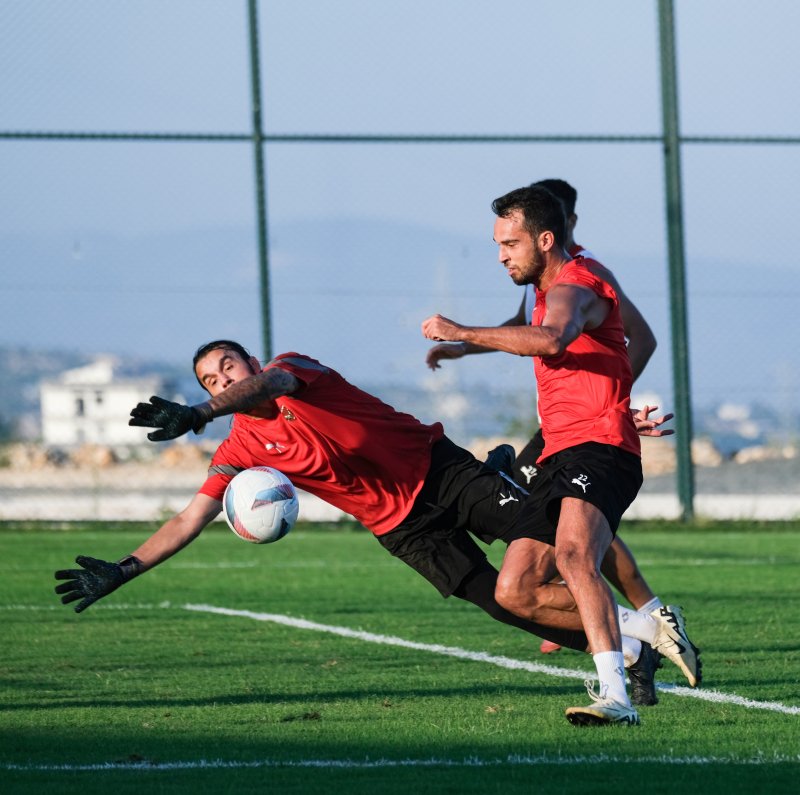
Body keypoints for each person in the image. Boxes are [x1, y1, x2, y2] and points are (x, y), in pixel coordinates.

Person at [54, 341, 677, 712]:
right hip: (401, 529)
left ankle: (647, 613)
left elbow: (276, 382)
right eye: (211, 382)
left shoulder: (291, 368)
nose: (225, 381)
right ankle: (632, 648)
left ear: (250, 359)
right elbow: (191, 516)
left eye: (228, 368)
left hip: (442, 473)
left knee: (557, 547)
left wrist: (197, 409)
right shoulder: (241, 449)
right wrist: (124, 569)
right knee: (507, 605)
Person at [421, 185, 701, 726]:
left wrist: (458, 330)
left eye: (511, 242)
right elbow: (603, 342)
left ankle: (616, 697)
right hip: (561, 451)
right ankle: (644, 631)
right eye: (498, 243)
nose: (502, 254)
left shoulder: (577, 283)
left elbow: (552, 340)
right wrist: (614, 399)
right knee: (515, 590)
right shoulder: (546, 289)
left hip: (598, 452)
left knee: (576, 556)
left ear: (546, 239)